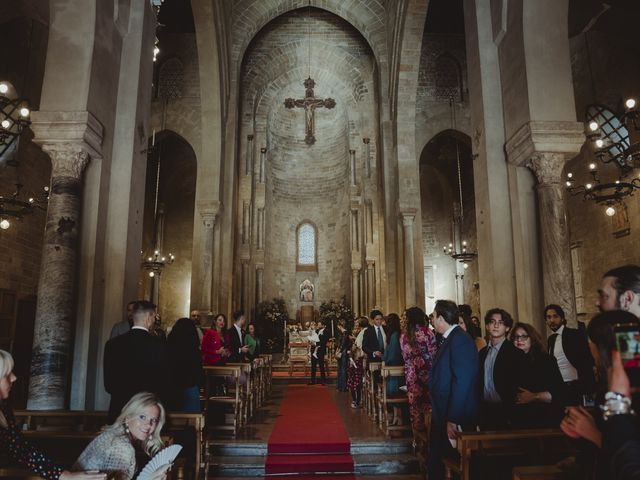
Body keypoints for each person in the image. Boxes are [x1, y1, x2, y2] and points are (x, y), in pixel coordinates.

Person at [0, 350, 106, 480]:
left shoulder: (3, 408)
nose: (14, 377)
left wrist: (62, 475)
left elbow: (20, 449)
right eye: (7, 374)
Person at [428, 300, 479, 480]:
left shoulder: (459, 340)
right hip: (443, 410)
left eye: (433, 316)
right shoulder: (451, 338)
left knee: (449, 460)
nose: (432, 320)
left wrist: (453, 418)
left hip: (453, 413)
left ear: (441, 318)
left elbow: (462, 381)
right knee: (439, 459)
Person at [73, 392, 165, 480]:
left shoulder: (115, 434)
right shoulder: (122, 447)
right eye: (142, 417)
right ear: (128, 417)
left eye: (154, 420)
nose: (148, 424)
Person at [104, 300, 168, 422]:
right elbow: (163, 383)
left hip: (119, 410)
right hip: (146, 412)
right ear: (149, 318)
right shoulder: (159, 347)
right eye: (154, 316)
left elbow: (109, 385)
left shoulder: (112, 344)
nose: (154, 320)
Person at [509, 322, 566, 428]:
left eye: (524, 336)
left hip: (544, 417)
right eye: (516, 337)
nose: (519, 340)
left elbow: (559, 393)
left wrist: (534, 396)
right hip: (518, 419)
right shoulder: (509, 362)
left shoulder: (546, 361)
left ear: (532, 338)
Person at [478, 308, 524, 430]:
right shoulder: (482, 353)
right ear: (487, 326)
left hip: (507, 411)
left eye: (501, 322)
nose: (496, 325)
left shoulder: (515, 353)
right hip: (485, 410)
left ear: (507, 328)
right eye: (492, 322)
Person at [545, 303, 596, 405]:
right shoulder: (551, 339)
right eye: (548, 317)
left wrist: (588, 387)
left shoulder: (574, 334)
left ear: (562, 318)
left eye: (555, 316)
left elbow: (587, 361)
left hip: (576, 386)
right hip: (559, 387)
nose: (552, 320)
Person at [399, 307, 436, 432]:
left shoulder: (404, 335)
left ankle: (417, 438)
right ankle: (430, 434)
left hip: (412, 375)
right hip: (429, 373)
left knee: (415, 407)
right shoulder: (428, 332)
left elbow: (405, 356)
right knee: (429, 405)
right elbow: (433, 353)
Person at [167, 318, 202, 412]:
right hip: (190, 388)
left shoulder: (168, 349)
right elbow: (198, 373)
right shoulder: (194, 351)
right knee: (191, 422)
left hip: (172, 388)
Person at [382, 313, 404, 425]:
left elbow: (393, 354)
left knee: (395, 393)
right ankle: (396, 416)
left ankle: (398, 417)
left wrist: (383, 357)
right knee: (393, 393)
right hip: (392, 368)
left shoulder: (395, 336)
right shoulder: (393, 335)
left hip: (394, 368)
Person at [347, 321, 365, 408]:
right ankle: (354, 400)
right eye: (355, 327)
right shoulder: (355, 339)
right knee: (352, 383)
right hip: (353, 363)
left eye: (357, 327)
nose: (356, 329)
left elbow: (361, 352)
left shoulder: (361, 336)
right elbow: (351, 351)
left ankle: (358, 400)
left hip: (359, 363)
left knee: (358, 383)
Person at [335, 323, 350, 393]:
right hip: (343, 352)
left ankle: (341, 386)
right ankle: (342, 387)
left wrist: (338, 351)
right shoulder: (344, 333)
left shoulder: (344, 333)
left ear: (340, 325)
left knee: (342, 369)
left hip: (342, 352)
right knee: (342, 369)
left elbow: (342, 344)